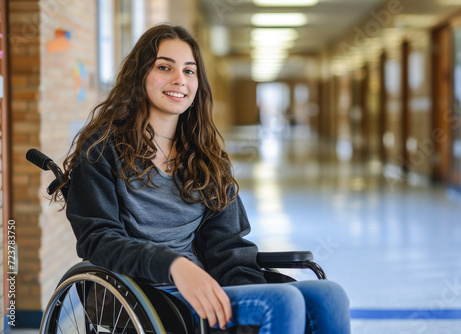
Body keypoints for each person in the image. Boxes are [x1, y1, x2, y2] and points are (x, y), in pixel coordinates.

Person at [56, 23, 351, 333]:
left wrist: (250, 290)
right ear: (139, 75)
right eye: (164, 67)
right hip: (143, 292)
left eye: (189, 71)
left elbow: (227, 245)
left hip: (204, 287)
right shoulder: (103, 150)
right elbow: (98, 239)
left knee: (329, 296)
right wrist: (172, 265)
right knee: (282, 303)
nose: (178, 80)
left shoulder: (205, 156)